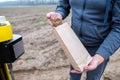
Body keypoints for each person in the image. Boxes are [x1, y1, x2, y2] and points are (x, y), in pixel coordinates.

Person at [46, 0, 120, 80]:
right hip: (74, 42)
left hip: (98, 47)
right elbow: (64, 4)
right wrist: (59, 13)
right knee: (74, 75)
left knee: (93, 77)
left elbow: (118, 28)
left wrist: (99, 57)